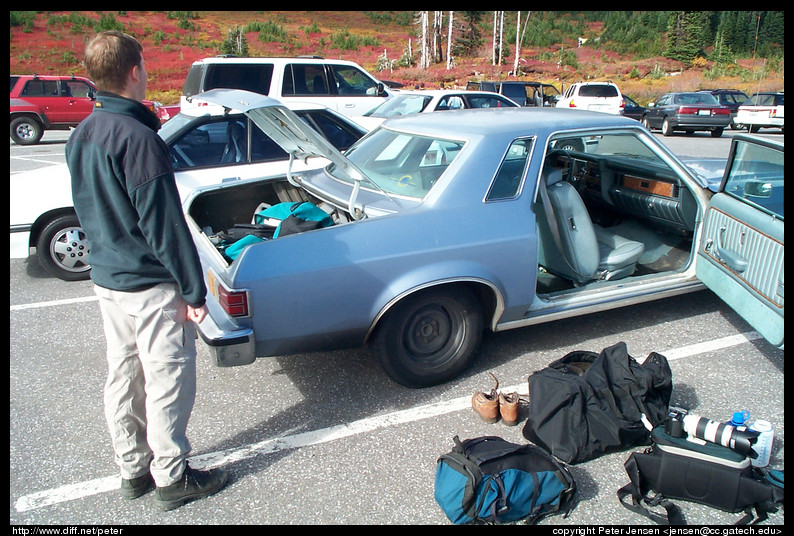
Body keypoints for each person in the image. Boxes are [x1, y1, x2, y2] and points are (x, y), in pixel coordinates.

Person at [65, 30, 228, 511]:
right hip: (149, 285)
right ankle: (172, 478)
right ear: (135, 71)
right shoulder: (138, 138)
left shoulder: (82, 134)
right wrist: (194, 293)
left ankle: (132, 469)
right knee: (165, 378)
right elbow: (164, 226)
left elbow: (88, 207)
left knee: (123, 375)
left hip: (107, 280)